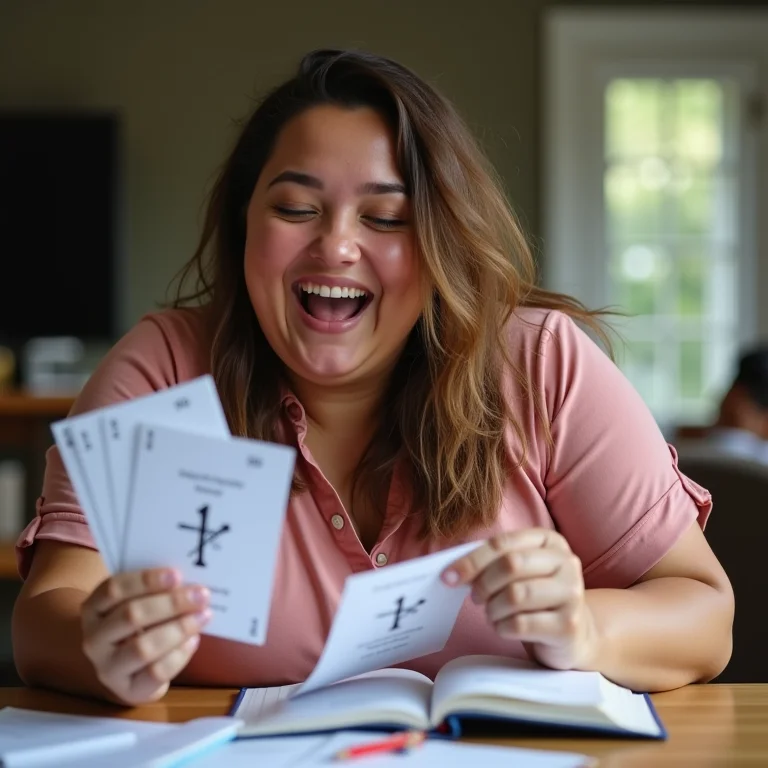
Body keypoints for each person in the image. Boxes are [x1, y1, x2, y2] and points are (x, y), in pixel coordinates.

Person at [12, 49, 733, 707]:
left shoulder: (542, 363)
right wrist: (99, 648)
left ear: (440, 242)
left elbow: (704, 616)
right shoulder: (164, 370)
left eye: (386, 218)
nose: (336, 245)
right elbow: (45, 617)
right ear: (244, 226)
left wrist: (584, 628)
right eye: (296, 209)